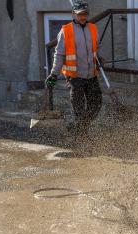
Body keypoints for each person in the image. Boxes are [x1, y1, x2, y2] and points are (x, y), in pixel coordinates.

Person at [45, 0, 103, 144]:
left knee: (96, 105)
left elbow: (96, 49)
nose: (83, 17)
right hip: (75, 78)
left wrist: (99, 58)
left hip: (91, 75)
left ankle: (77, 129)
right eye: (80, 14)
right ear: (73, 14)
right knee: (79, 110)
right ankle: (81, 140)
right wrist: (53, 74)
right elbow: (59, 54)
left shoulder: (93, 28)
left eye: (85, 14)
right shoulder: (66, 31)